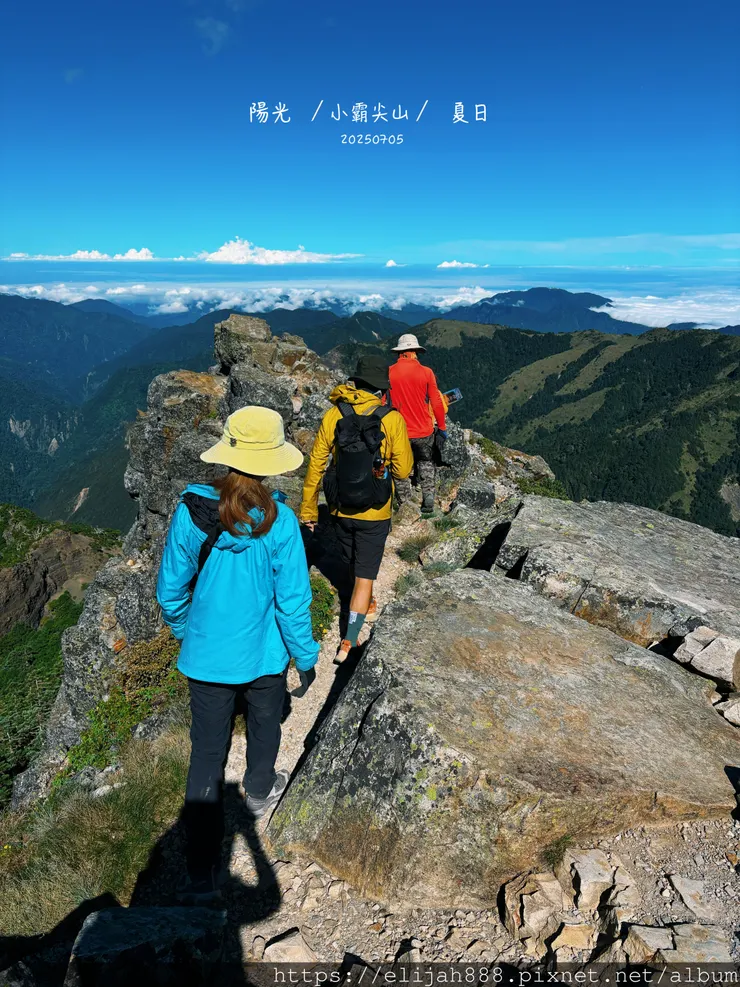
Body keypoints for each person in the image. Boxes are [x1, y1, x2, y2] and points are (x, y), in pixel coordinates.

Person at [156, 405, 319, 902]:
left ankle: (201, 869)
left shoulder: (192, 512)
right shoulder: (281, 521)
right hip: (264, 653)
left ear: (227, 454)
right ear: (272, 461)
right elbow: (292, 600)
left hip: (206, 658)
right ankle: (259, 790)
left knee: (207, 751)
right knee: (266, 721)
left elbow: (170, 590)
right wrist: (305, 657)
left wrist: (187, 632)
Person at [299, 355, 413, 664]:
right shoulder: (391, 418)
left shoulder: (334, 414)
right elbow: (403, 470)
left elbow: (316, 464)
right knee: (364, 577)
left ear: (356, 382)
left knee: (351, 562)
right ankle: (348, 641)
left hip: (339, 508)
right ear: (381, 389)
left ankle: (364, 603)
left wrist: (309, 509)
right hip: (376, 510)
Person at [388, 332, 447, 514]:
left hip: (399, 431)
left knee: (401, 469)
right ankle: (428, 496)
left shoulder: (389, 372)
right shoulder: (426, 372)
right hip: (423, 429)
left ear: (400, 353)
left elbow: (383, 403)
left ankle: (406, 507)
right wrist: (442, 428)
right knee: (426, 461)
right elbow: (436, 402)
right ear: (415, 351)